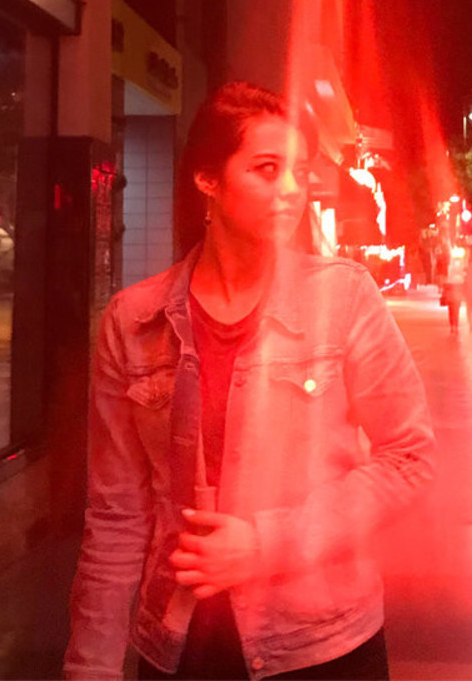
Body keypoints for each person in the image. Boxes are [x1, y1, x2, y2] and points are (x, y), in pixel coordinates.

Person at [65, 82, 436, 681]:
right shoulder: (134, 321)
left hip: (323, 645)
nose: (291, 189)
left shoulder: (343, 297)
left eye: (300, 172)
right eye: (267, 169)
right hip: (180, 649)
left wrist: (265, 545)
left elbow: (408, 458)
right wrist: (91, 668)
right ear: (207, 179)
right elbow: (116, 516)